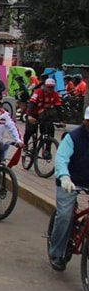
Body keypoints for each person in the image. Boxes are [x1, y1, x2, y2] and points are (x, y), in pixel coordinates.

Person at [49, 106, 89, 270]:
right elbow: (61, 159)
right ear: (85, 121)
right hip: (69, 181)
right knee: (65, 215)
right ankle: (57, 252)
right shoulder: (73, 137)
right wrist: (64, 177)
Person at [25, 77, 62, 146]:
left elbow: (58, 108)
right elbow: (31, 104)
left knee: (50, 130)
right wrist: (29, 116)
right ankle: (25, 144)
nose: (50, 89)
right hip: (33, 114)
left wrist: (62, 121)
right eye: (49, 87)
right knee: (30, 130)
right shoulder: (38, 92)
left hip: (44, 116)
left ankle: (47, 150)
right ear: (44, 86)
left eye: (52, 87)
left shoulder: (55, 94)